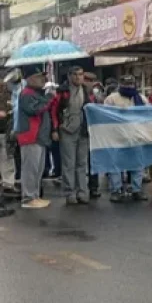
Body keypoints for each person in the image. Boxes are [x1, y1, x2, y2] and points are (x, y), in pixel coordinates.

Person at [51, 66, 94, 205]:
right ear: (69, 76)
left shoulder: (86, 90)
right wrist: (55, 129)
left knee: (82, 163)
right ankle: (70, 192)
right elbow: (54, 111)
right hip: (67, 130)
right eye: (75, 74)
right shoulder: (62, 91)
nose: (78, 77)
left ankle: (82, 192)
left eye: (80, 74)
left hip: (83, 130)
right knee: (68, 163)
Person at [103, 75, 150, 202]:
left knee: (137, 164)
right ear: (120, 84)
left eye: (131, 84)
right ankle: (116, 190)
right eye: (126, 83)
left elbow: (148, 115)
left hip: (136, 136)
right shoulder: (111, 99)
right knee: (115, 165)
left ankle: (136, 190)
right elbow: (105, 116)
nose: (128, 86)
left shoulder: (141, 99)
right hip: (116, 136)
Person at [15, 67, 52, 210]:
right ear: (29, 79)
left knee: (38, 169)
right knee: (30, 169)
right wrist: (48, 98)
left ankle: (35, 196)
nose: (42, 79)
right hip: (30, 135)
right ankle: (28, 197)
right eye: (38, 76)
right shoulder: (27, 93)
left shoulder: (36, 93)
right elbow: (35, 110)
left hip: (39, 136)